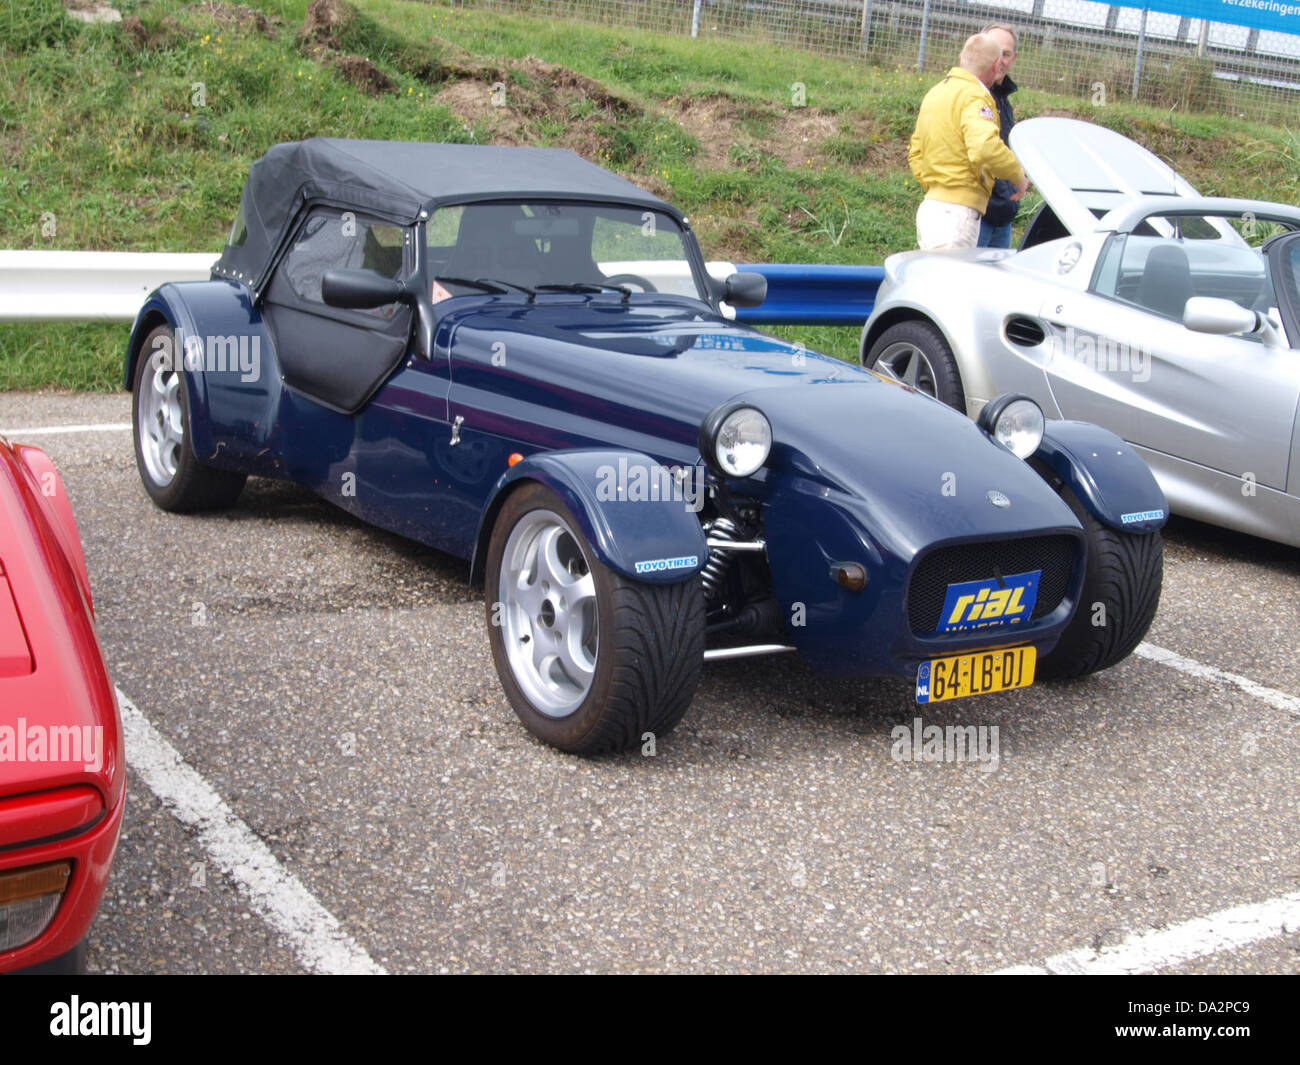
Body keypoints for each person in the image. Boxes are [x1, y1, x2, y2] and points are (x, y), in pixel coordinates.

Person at [908, 33, 1029, 251]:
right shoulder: (975, 96)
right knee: (953, 283)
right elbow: (984, 147)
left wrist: (937, 186)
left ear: (960, 57)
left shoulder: (936, 92)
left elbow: (916, 152)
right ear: (995, 66)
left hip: (931, 208)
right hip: (958, 215)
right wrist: (1017, 175)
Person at [978, 24, 1021, 249]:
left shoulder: (1004, 100)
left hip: (1002, 214)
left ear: (1014, 58)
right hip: (976, 213)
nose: (999, 60)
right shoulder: (972, 94)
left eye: (1005, 54)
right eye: (994, 51)